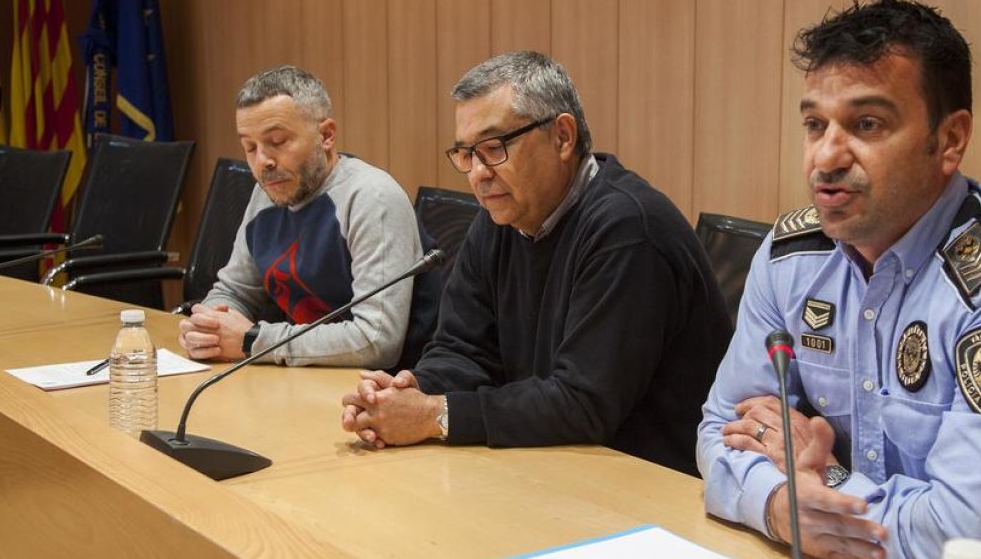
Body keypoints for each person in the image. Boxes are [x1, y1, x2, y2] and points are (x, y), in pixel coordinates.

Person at [697, 0, 981, 558]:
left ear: (951, 140)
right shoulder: (791, 257)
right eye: (815, 124)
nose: (826, 157)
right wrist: (776, 504)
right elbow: (720, 430)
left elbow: (969, 543)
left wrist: (826, 484)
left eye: (867, 123)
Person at [339, 51, 732, 475]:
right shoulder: (501, 219)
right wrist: (412, 389)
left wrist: (435, 415)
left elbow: (583, 403)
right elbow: (464, 349)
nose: (477, 174)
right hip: (549, 464)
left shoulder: (629, 230)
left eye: (493, 148)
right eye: (466, 154)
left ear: (562, 137)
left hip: (646, 484)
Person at [178, 65, 438, 368]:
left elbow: (376, 341)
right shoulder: (267, 193)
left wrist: (253, 340)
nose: (263, 162)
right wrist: (207, 328)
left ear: (326, 135)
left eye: (277, 142)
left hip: (390, 387)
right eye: (250, 147)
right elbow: (235, 291)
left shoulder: (372, 198)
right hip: (304, 377)